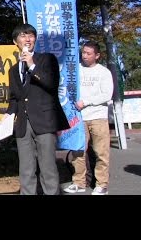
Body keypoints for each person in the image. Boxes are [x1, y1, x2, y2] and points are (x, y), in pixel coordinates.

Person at [3, 23, 70, 195]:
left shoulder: (47, 59)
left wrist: (32, 66)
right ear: (15, 41)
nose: (27, 39)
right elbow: (14, 98)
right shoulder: (12, 70)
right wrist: (8, 115)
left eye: (31, 35)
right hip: (23, 125)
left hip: (45, 121)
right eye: (23, 36)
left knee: (47, 167)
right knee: (26, 169)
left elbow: (51, 85)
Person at [63, 41, 113, 195]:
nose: (84, 56)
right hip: (79, 118)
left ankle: (101, 184)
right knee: (78, 151)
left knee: (101, 153)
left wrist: (86, 101)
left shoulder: (103, 72)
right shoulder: (76, 70)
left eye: (88, 53)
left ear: (97, 55)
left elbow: (107, 95)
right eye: (83, 52)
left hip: (98, 117)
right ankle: (79, 182)